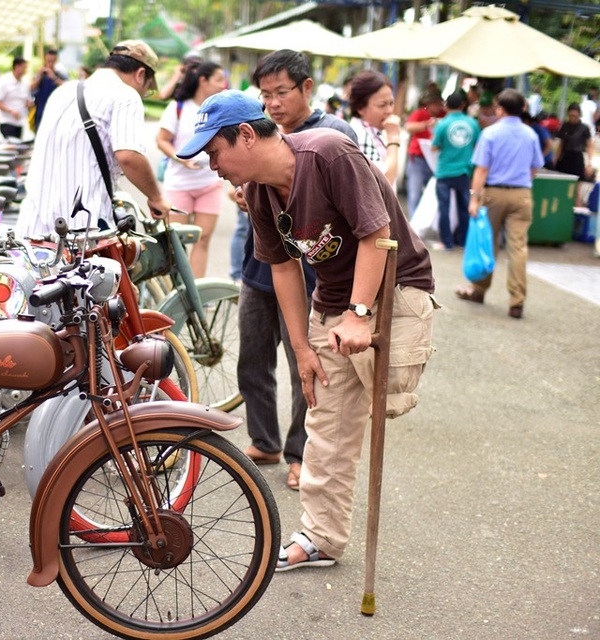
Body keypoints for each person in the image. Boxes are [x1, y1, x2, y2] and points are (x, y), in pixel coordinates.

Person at [176, 90, 435, 572]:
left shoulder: (328, 152)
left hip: (396, 290)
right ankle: (321, 538)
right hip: (334, 302)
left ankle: (380, 378)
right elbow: (282, 269)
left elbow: (375, 235)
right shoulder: (258, 193)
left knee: (386, 400)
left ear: (246, 135)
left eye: (214, 152)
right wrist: (301, 348)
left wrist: (360, 313)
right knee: (327, 426)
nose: (211, 165)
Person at [233, 50, 358, 495]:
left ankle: (300, 454)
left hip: (310, 271)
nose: (273, 103)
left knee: (304, 364)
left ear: (307, 87)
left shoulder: (331, 135)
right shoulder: (258, 133)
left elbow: (357, 213)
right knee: (252, 360)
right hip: (260, 264)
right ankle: (263, 440)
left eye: (281, 92)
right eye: (265, 95)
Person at [15, 40, 171, 237]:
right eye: (147, 88)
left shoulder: (63, 91)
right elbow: (128, 155)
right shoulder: (126, 96)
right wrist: (156, 197)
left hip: (32, 225)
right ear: (141, 74)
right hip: (81, 231)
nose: (142, 93)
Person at [456, 88, 544, 320]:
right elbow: (535, 168)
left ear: (500, 109)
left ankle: (478, 290)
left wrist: (474, 197)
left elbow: (482, 169)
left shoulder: (491, 133)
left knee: (486, 242)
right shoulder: (531, 134)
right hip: (522, 194)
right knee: (518, 248)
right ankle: (517, 301)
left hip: (494, 193)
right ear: (522, 109)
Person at [155, 59, 228, 277]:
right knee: (176, 242)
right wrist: (180, 159)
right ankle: (178, 294)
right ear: (202, 80)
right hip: (180, 184)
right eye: (218, 79)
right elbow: (162, 140)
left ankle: (197, 294)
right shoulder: (178, 107)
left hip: (210, 183)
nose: (223, 84)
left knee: (202, 239)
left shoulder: (220, 108)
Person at [431, 90, 480, 250]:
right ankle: (463, 241)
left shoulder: (443, 123)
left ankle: (446, 242)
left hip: (444, 171)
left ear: (446, 105)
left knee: (443, 208)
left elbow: (434, 146)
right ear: (463, 104)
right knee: (464, 208)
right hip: (464, 171)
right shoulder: (472, 123)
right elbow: (477, 145)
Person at [348, 70, 401, 186]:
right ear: (360, 107)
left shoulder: (373, 132)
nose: (389, 111)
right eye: (382, 105)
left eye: (391, 103)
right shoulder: (360, 136)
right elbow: (384, 183)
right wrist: (393, 139)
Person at [404, 88, 445, 216]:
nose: (438, 107)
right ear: (428, 104)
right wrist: (427, 124)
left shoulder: (444, 115)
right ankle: (413, 226)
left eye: (440, 103)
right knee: (414, 193)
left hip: (436, 159)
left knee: (433, 193)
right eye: (435, 103)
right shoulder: (420, 113)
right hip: (418, 158)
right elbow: (409, 127)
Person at [0, 56, 30, 139]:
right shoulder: (4, 81)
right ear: (17, 67)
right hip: (7, 121)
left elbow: (26, 100)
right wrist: (10, 111)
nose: (25, 70)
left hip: (20, 122)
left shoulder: (24, 83)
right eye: (24, 67)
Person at [554, 103, 593, 182]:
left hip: (577, 157)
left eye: (575, 116)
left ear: (579, 115)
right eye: (570, 116)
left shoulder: (584, 128)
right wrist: (555, 159)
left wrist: (589, 163)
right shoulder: (565, 126)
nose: (572, 118)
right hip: (565, 157)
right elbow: (561, 144)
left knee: (577, 184)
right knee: (562, 182)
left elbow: (590, 146)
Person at [29, 47, 66, 131]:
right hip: (40, 110)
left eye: (52, 61)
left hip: (56, 111)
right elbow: (31, 88)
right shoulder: (40, 74)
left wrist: (53, 77)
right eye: (48, 61)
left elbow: (66, 86)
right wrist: (39, 76)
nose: (50, 64)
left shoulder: (60, 74)